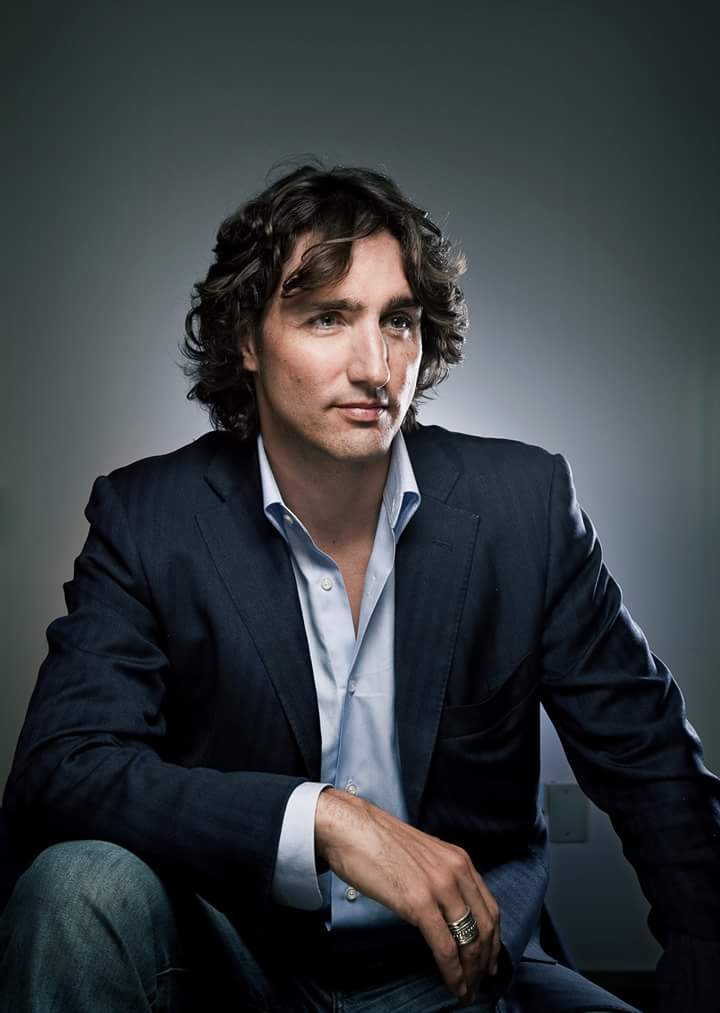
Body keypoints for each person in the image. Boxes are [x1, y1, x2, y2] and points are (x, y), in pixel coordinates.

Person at [0, 163, 718, 1013]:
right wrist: (323, 821)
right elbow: (61, 770)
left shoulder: (523, 506)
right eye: (327, 317)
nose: (376, 365)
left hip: (464, 973)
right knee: (76, 884)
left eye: (398, 321)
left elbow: (651, 761)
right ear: (246, 340)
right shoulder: (150, 517)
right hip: (237, 966)